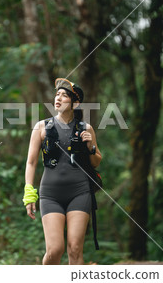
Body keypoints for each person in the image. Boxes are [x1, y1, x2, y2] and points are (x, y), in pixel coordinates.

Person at [23, 78, 102, 265]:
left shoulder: (86, 128)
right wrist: (29, 192)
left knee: (75, 249)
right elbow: (31, 162)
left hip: (80, 192)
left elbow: (96, 161)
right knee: (55, 250)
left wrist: (90, 145)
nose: (58, 98)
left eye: (64, 95)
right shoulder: (42, 127)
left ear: (75, 103)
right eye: (57, 94)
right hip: (51, 195)